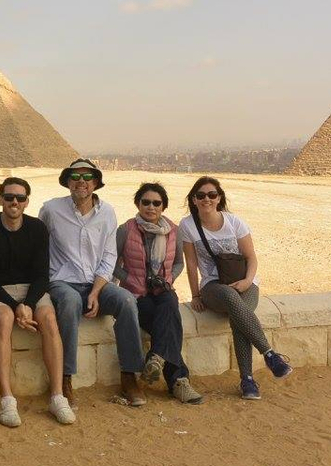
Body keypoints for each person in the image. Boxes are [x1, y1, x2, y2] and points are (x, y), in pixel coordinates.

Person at [39, 159, 147, 407]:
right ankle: (64, 378)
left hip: (95, 282)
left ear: (96, 183)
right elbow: (38, 245)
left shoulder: (107, 213)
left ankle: (130, 376)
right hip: (62, 281)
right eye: (75, 176)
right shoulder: (51, 210)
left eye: (87, 177)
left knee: (127, 301)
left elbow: (109, 255)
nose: (81, 181)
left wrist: (97, 291)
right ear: (67, 181)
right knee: (69, 302)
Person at [0, 177, 75, 427]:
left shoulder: (37, 228)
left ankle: (57, 396)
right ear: (0, 200)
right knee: (5, 318)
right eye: (9, 197)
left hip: (31, 291)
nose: (14, 202)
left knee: (49, 319)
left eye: (19, 198)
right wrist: (16, 306)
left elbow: (41, 275)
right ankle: (7, 400)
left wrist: (28, 303)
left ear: (27, 201)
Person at [179, 176, 292, 400]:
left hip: (246, 283)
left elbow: (251, 257)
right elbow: (191, 264)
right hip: (213, 286)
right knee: (233, 301)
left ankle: (247, 381)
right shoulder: (188, 225)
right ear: (194, 199)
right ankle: (269, 354)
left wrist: (248, 281)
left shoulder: (235, 222)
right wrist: (195, 294)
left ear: (219, 197)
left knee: (240, 317)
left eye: (212, 195)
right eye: (201, 196)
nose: (206, 199)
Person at [114, 183, 202, 404]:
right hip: (137, 296)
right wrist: (129, 280)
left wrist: (169, 279)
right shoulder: (125, 229)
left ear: (163, 206)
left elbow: (179, 263)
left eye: (156, 203)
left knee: (170, 300)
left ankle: (156, 358)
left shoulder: (173, 231)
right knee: (169, 324)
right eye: (146, 202)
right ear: (138, 204)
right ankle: (179, 380)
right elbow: (111, 263)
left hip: (162, 290)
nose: (151, 207)